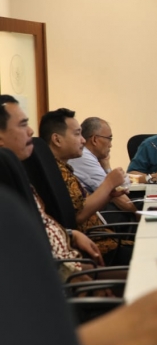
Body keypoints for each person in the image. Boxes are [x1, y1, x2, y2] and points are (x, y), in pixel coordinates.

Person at [0, 184, 157, 345]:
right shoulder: (8, 207)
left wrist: (70, 235)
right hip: (68, 313)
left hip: (69, 295)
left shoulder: (11, 202)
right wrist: (126, 325)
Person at [0, 97, 107, 282]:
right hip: (61, 278)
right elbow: (26, 256)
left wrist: (70, 234)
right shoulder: (6, 188)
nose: (31, 131)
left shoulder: (18, 173)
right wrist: (77, 278)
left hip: (71, 262)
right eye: (23, 124)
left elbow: (40, 228)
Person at [39, 108, 133, 264]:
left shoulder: (62, 167)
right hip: (99, 247)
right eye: (77, 134)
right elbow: (78, 216)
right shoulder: (57, 172)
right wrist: (109, 183)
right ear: (57, 140)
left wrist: (108, 195)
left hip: (104, 239)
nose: (83, 140)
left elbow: (83, 206)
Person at [68, 117, 137, 214]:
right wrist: (137, 214)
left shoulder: (89, 156)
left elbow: (118, 186)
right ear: (94, 140)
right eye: (109, 139)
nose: (110, 145)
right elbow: (116, 195)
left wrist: (106, 166)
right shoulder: (84, 157)